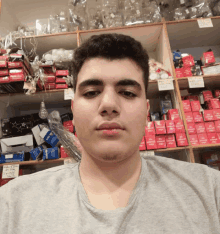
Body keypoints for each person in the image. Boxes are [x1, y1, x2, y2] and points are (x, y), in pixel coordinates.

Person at [0, 33, 220, 234]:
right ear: (74, 111)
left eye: (127, 92)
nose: (109, 105)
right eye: (92, 92)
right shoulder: (12, 204)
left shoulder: (210, 191)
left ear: (145, 112)